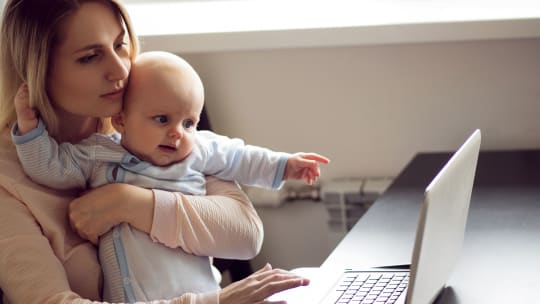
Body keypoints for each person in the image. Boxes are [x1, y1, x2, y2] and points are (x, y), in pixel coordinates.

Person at [0, 1, 310, 303]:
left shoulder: (154, 117)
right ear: (37, 68)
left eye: (120, 44)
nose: (120, 69)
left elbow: (246, 235)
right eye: (90, 57)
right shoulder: (8, 182)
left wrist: (134, 204)